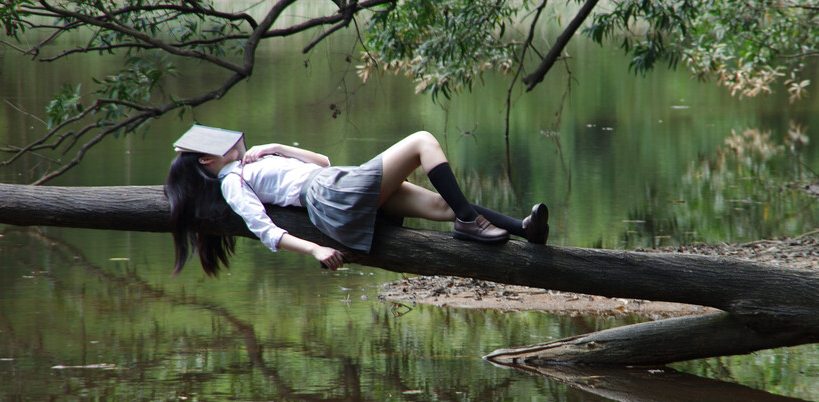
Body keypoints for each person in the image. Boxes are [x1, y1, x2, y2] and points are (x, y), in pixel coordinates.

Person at [164, 126, 550, 276]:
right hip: (331, 195)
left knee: (442, 207)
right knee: (421, 141)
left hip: (333, 180)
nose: (235, 142)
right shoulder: (232, 183)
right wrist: (315, 250)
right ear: (206, 160)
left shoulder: (252, 162)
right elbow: (265, 230)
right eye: (223, 144)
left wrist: (277, 147)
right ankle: (469, 224)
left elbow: (323, 162)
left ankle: (522, 229)